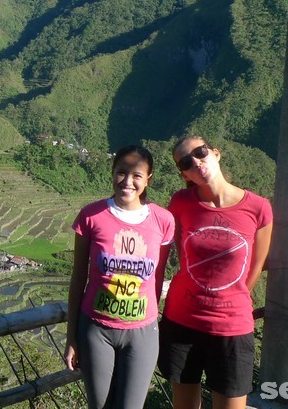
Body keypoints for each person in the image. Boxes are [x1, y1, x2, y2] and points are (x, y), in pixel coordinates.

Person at [158, 136, 273, 409]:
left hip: (232, 327)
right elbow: (181, 255)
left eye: (200, 153)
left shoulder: (258, 208)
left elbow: (255, 267)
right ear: (183, 173)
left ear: (216, 153)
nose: (196, 162)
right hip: (181, 320)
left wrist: (228, 297)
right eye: (186, 162)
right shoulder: (180, 202)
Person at [65, 144, 175, 409]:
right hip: (95, 330)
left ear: (148, 179)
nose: (127, 181)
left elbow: (157, 278)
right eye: (121, 172)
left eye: (137, 175)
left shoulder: (163, 220)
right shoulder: (91, 216)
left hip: (142, 333)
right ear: (112, 173)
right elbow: (78, 277)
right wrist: (71, 337)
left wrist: (151, 319)